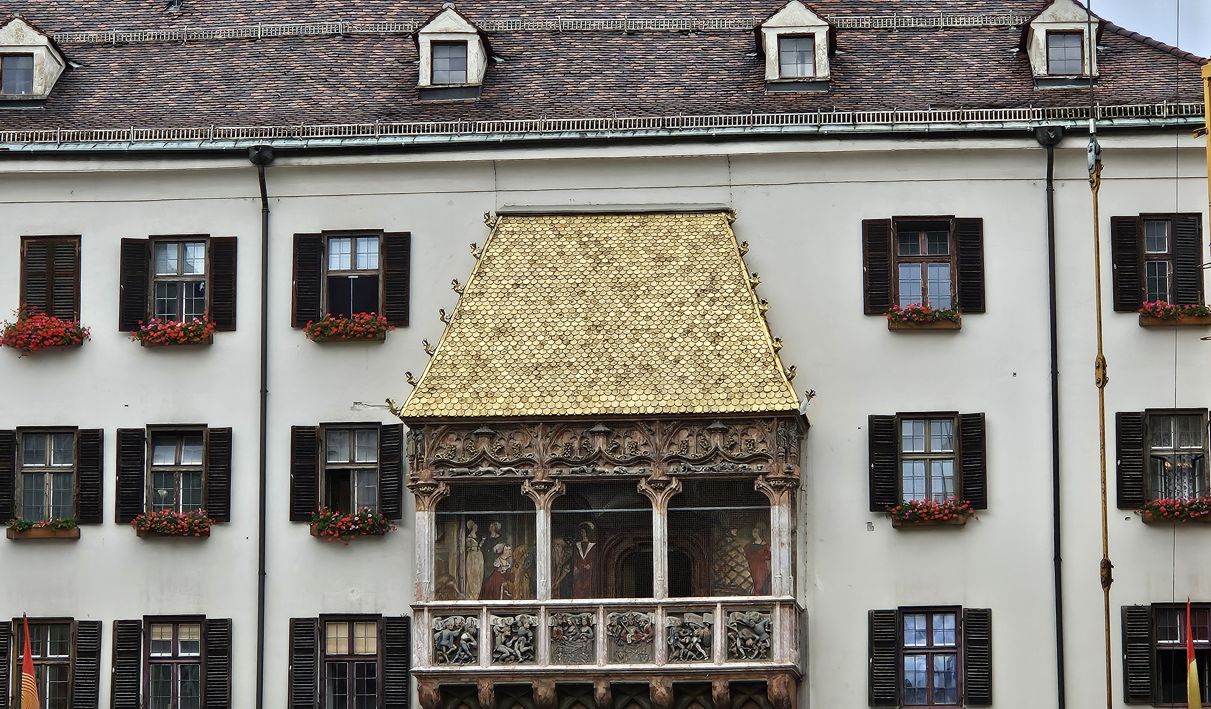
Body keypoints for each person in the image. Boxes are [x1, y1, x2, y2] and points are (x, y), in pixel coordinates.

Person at [572, 522, 597, 598]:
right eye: (581, 531)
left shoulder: (593, 546)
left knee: (588, 586)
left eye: (583, 531)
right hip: (579, 570)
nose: (581, 533)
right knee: (578, 587)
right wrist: (575, 567)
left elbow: (594, 557)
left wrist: (590, 565)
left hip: (588, 571)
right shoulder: (577, 545)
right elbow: (575, 557)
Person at [745, 525, 771, 595]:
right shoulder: (749, 546)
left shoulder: (765, 546)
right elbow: (747, 556)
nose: (753, 534)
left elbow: (768, 557)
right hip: (752, 566)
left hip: (761, 567)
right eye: (753, 532)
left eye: (755, 532)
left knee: (760, 583)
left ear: (759, 533)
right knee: (754, 582)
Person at [463, 520, 483, 600]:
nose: (476, 528)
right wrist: (473, 548)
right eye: (474, 527)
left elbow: (479, 546)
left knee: (479, 573)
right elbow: (468, 547)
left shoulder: (477, 536)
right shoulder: (469, 537)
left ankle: (477, 593)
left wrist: (482, 542)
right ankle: (472, 593)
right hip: (472, 557)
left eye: (476, 527)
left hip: (479, 556)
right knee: (472, 573)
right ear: (472, 527)